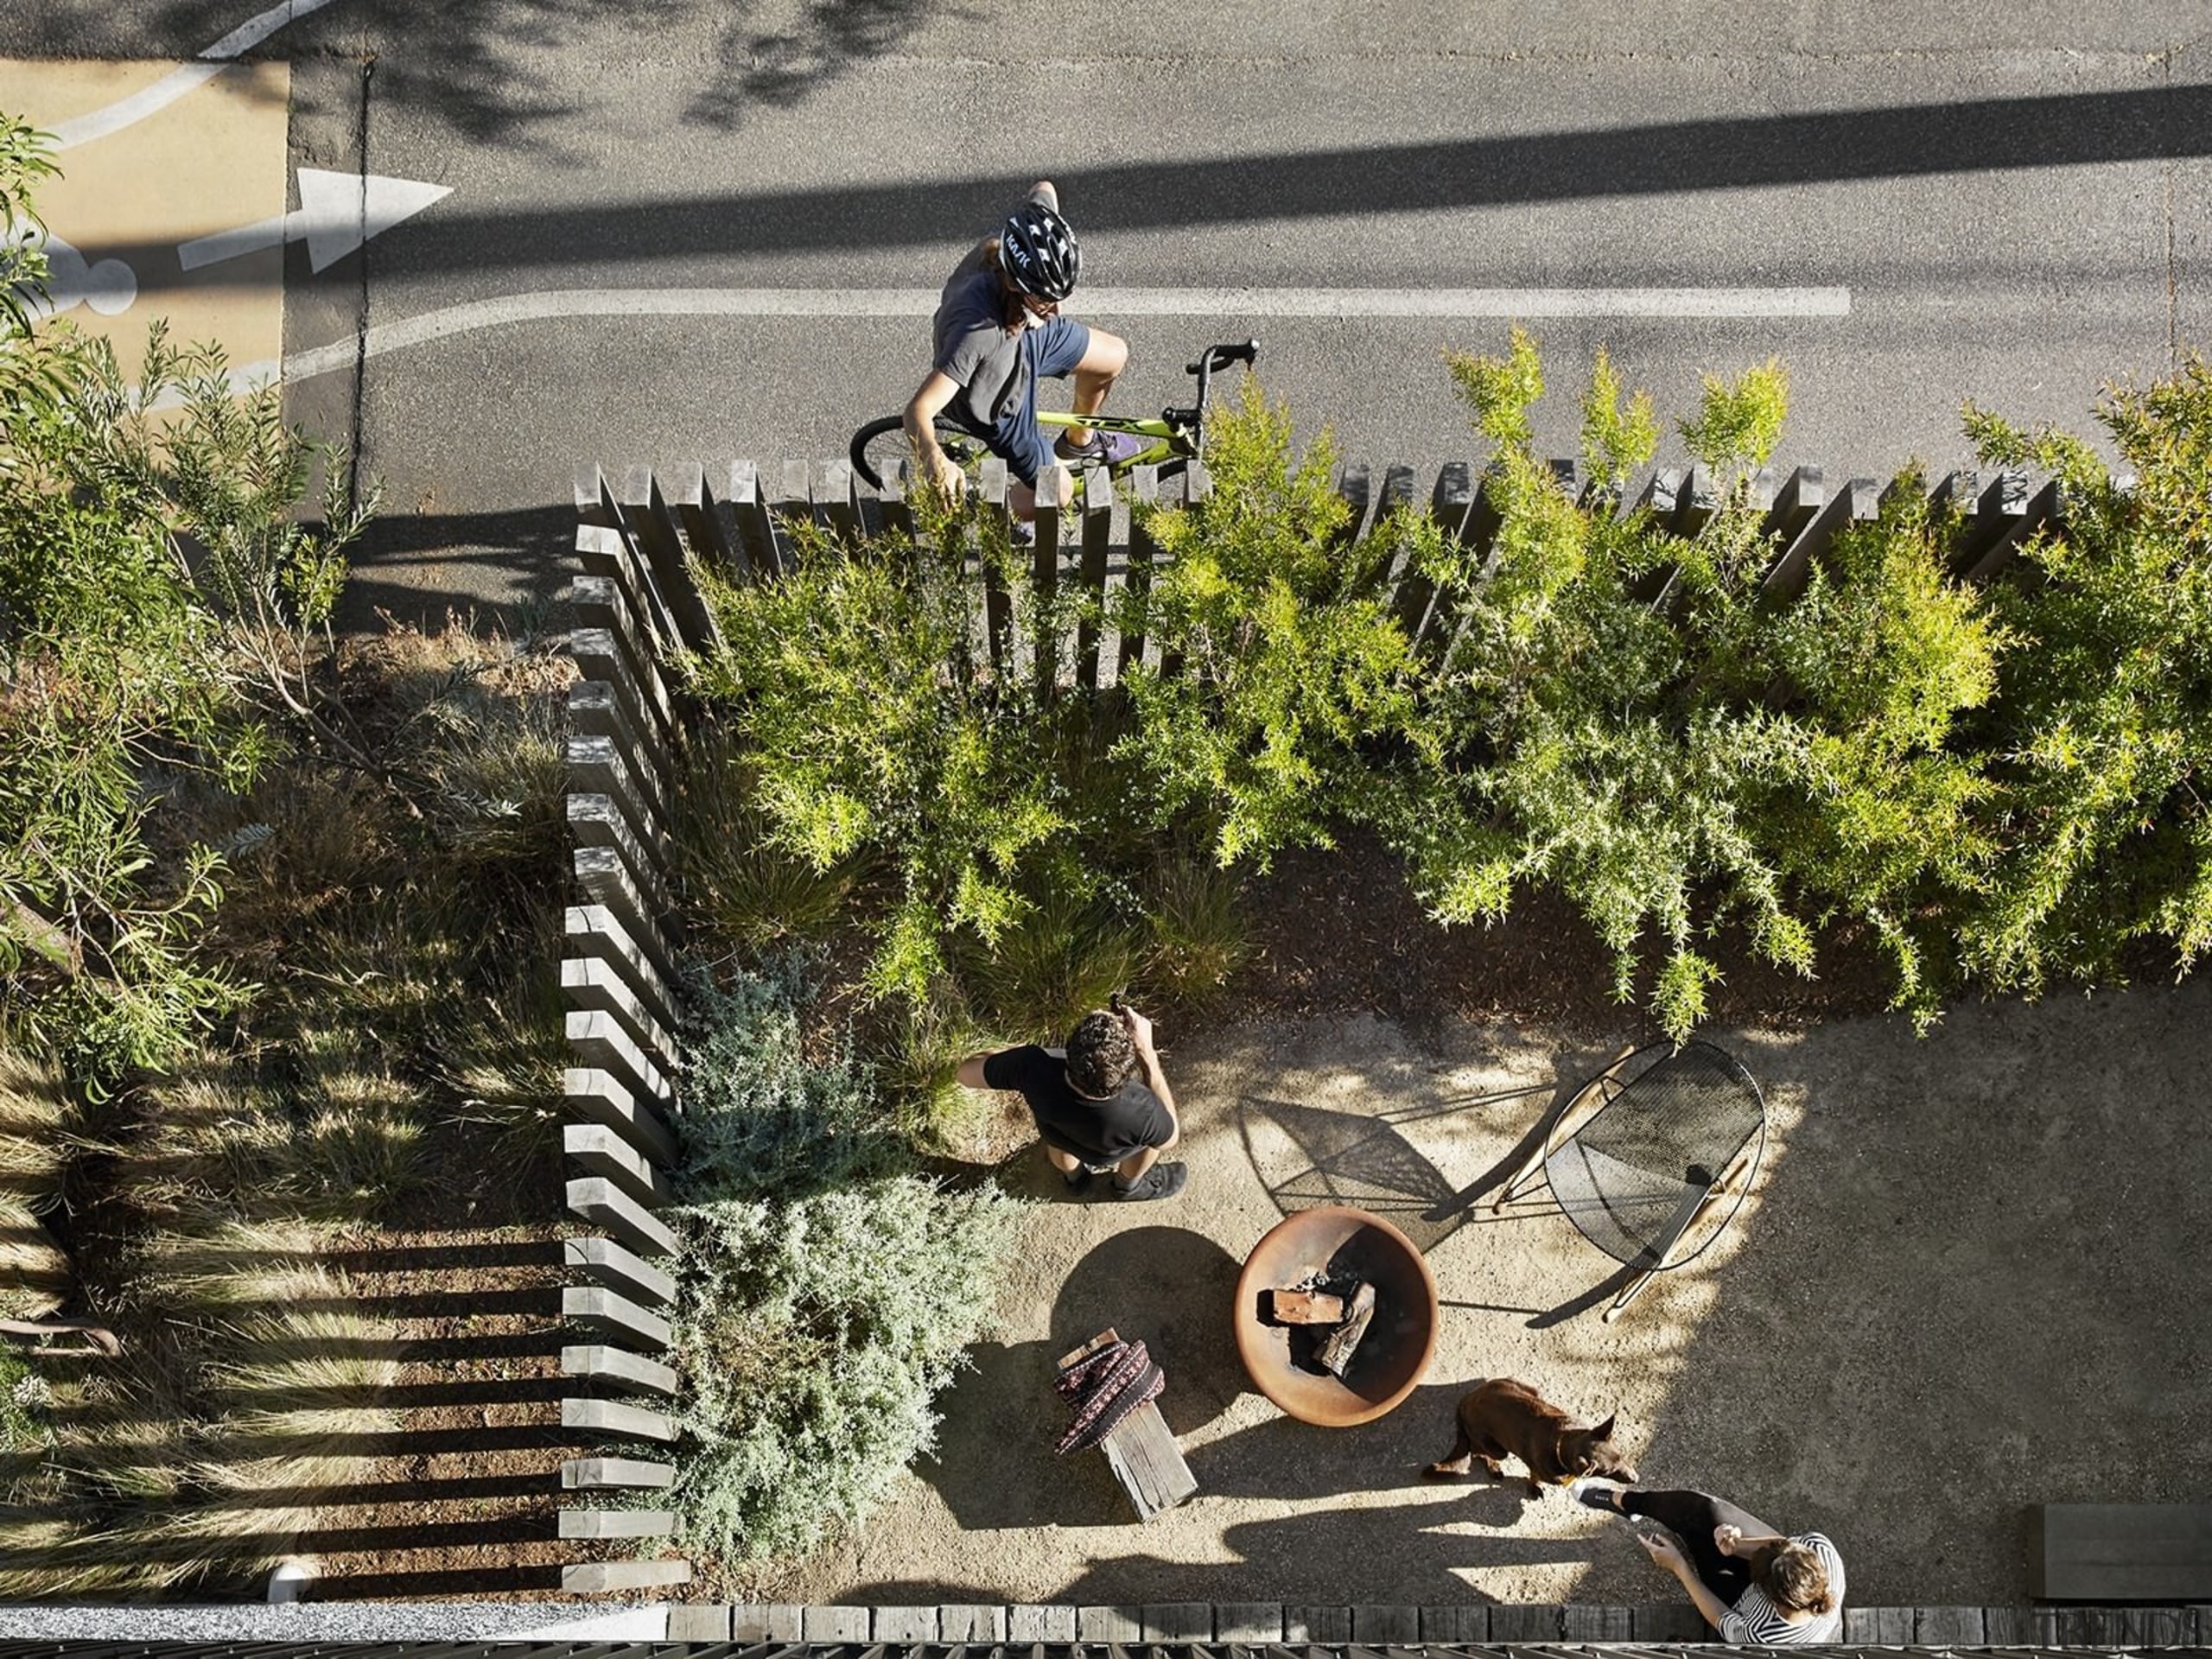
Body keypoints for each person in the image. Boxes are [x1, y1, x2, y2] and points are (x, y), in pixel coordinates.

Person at [904, 180, 1143, 518]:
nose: (1057, 310)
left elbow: (1043, 188)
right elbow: (918, 410)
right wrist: (934, 459)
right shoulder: (977, 331)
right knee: (1057, 493)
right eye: (1046, 299)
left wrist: (1039, 207)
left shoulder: (1023, 245)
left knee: (1113, 356)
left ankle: (1079, 441)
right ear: (1015, 284)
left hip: (1026, 338)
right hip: (997, 398)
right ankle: (996, 509)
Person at [957, 1001, 1186, 1201]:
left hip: (1059, 1136)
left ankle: (1075, 1181)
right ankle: (1127, 1187)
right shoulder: (1143, 1110)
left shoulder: (1030, 1068)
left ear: (1071, 1050)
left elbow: (965, 1074)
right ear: (1126, 1069)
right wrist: (1149, 1057)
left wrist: (1016, 1056)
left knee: (1060, 1145)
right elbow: (1169, 1139)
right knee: (1148, 1145)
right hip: (1111, 1151)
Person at [1571, 1478, 1846, 1644]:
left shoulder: (1762, 1636)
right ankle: (1627, 1502)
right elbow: (1779, 1545)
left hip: (1738, 1599)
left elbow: (1721, 1617)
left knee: (1697, 1538)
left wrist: (1679, 1567)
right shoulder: (1818, 1548)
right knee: (1707, 1509)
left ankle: (1684, 1533)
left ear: (1767, 1594)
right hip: (1778, 1578)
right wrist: (1737, 1545)